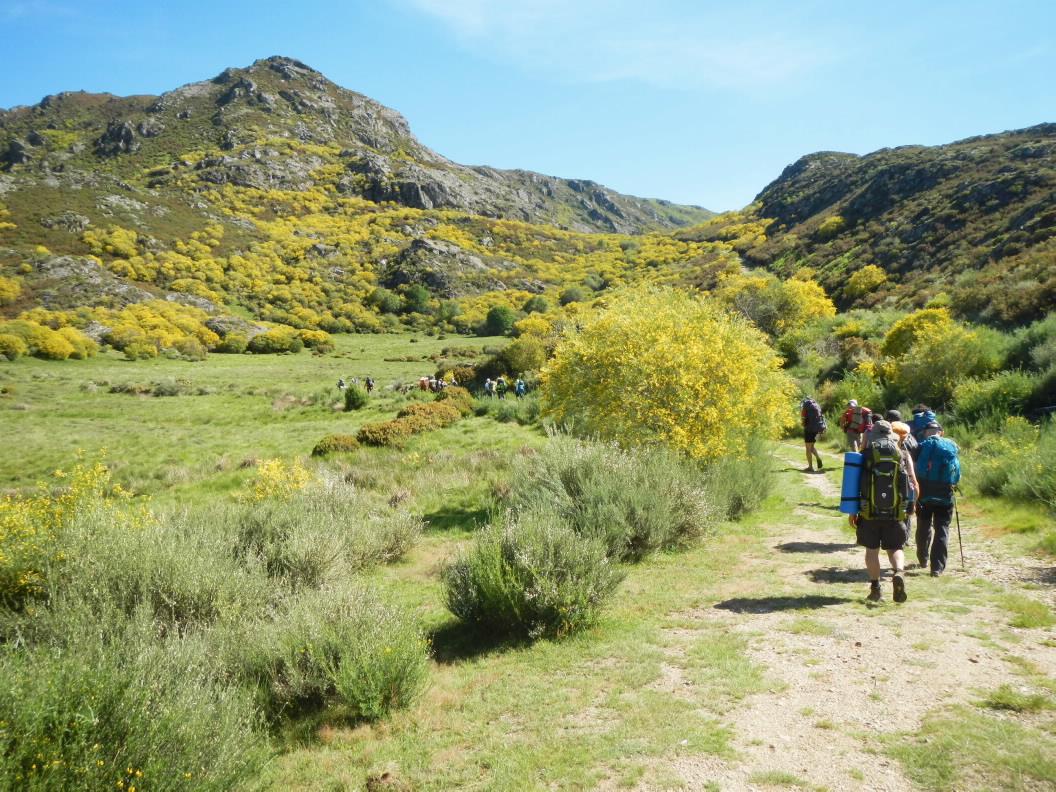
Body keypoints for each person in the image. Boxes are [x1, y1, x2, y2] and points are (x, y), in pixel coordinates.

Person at [851, 420, 911, 603]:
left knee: (872, 550)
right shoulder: (899, 454)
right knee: (895, 548)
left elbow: (857, 484)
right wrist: (906, 507)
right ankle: (898, 572)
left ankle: (875, 588)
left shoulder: (866, 454)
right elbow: (905, 484)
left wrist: (853, 510)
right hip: (894, 512)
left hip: (870, 512)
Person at [914, 421, 961, 576]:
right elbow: (957, 473)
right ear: (941, 432)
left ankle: (923, 558)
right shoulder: (951, 446)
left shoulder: (920, 446)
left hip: (924, 494)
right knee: (942, 529)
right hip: (945, 495)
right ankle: (937, 568)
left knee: (923, 525)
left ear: (926, 432)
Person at [800, 396, 826, 471]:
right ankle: (818, 457)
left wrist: (803, 424)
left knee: (808, 448)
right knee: (811, 447)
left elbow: (803, 418)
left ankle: (810, 467)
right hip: (816, 428)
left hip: (809, 429)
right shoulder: (816, 405)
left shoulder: (806, 406)